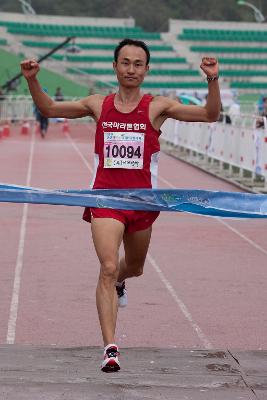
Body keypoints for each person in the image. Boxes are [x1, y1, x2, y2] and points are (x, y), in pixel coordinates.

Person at [20, 38, 221, 373]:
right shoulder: (99, 104)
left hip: (142, 203)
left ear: (146, 69)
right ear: (115, 67)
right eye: (125, 62)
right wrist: (32, 80)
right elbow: (49, 110)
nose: (131, 69)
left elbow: (210, 115)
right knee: (108, 266)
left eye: (137, 63)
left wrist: (212, 79)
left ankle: (119, 282)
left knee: (135, 267)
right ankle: (110, 348)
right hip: (105, 200)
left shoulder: (157, 107)